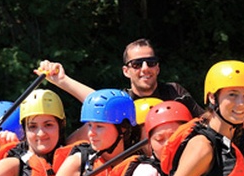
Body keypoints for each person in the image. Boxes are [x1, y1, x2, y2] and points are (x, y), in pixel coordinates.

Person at [36, 38, 204, 132]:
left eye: (151, 62)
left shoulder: (174, 91)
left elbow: (206, 122)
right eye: (137, 64)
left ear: (158, 68)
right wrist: (62, 80)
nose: (145, 68)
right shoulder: (123, 100)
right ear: (126, 71)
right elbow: (97, 100)